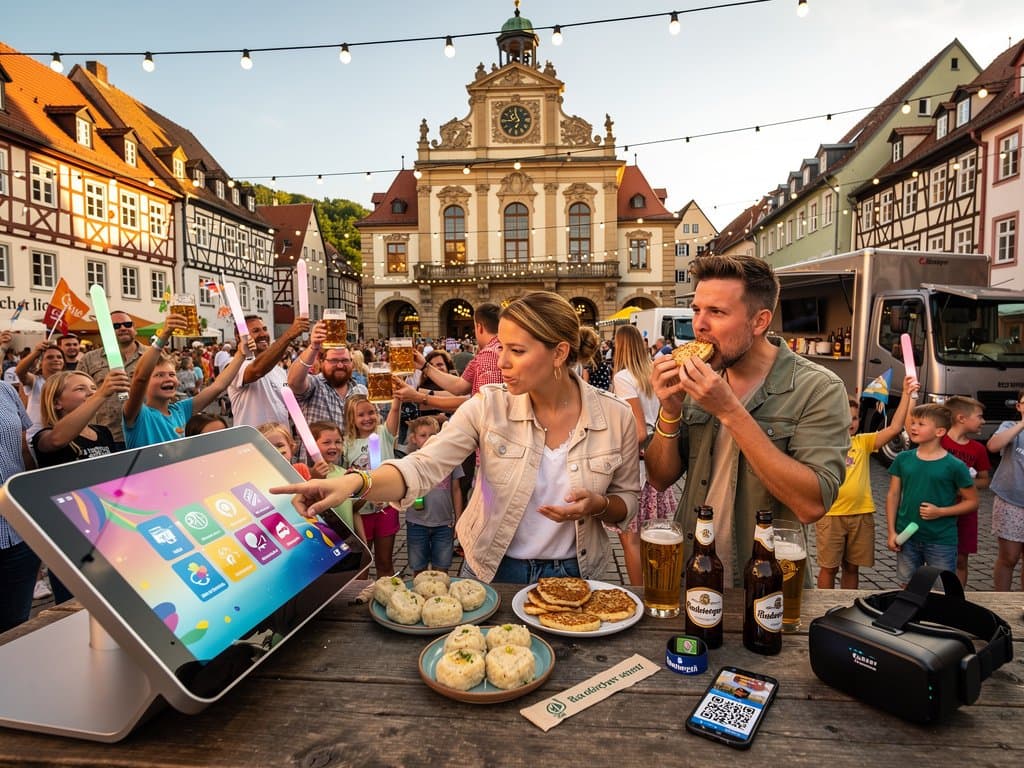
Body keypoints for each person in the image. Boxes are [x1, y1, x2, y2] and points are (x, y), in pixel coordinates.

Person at [270, 291, 640, 584]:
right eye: (501, 348)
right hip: (495, 569)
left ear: (559, 353)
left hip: (575, 572)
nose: (503, 362)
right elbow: (424, 465)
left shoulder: (615, 416)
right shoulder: (489, 406)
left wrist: (600, 507)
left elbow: (627, 501)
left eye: (517, 351)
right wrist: (355, 482)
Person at [646, 254, 850, 586]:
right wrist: (669, 411)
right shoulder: (699, 380)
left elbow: (812, 504)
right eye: (697, 309)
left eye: (717, 312)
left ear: (759, 322)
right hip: (691, 574)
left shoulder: (818, 388)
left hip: (765, 584)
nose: (699, 324)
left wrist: (730, 411)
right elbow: (659, 477)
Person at [31, 369, 131, 604]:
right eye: (80, 389)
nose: (91, 393)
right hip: (71, 537)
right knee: (76, 604)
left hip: (108, 529)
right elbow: (57, 439)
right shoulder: (45, 436)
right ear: (57, 403)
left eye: (93, 388)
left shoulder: (102, 432)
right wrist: (102, 394)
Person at [816, 377, 918, 589]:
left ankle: (847, 606)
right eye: (845, 417)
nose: (851, 422)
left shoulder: (862, 443)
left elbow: (895, 427)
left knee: (853, 567)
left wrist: (907, 394)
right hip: (831, 516)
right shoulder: (822, 445)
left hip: (861, 515)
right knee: (828, 568)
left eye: (855, 418)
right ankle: (824, 607)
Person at [610, 324, 676, 586]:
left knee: (631, 539)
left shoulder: (624, 377)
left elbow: (637, 431)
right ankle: (658, 586)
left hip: (637, 467)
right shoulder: (654, 372)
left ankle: (639, 594)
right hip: (660, 460)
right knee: (652, 537)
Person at [123, 314, 250, 449]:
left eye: (172, 374)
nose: (168, 378)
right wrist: (164, 334)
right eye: (159, 375)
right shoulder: (138, 415)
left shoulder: (180, 410)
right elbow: (140, 378)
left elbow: (218, 386)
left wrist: (241, 354)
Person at [886, 403, 977, 586]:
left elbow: (972, 502)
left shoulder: (955, 465)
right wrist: (891, 532)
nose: (913, 427)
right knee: (908, 586)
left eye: (921, 424)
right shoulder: (903, 459)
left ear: (939, 432)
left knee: (941, 589)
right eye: (913, 423)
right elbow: (893, 495)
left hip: (941, 540)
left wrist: (940, 512)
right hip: (907, 537)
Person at [286, 324, 367, 461]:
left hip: (351, 471)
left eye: (345, 360)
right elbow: (293, 381)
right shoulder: (315, 385)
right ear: (322, 362)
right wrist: (313, 347)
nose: (340, 365)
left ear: (352, 363)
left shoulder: (360, 390)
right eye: (334, 360)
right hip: (317, 472)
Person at [342, 393, 402, 578]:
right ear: (351, 418)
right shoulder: (346, 444)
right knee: (362, 564)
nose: (367, 418)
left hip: (386, 510)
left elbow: (395, 408)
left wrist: (398, 396)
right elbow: (344, 479)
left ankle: (390, 596)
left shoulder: (384, 433)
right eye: (361, 415)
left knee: (385, 562)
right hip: (361, 514)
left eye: (371, 412)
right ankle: (359, 599)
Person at [78, 309, 149, 450]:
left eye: (127, 324)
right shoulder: (89, 359)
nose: (123, 328)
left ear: (134, 328)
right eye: (115, 326)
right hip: (106, 435)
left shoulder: (152, 355)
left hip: (146, 431)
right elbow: (79, 397)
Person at [940, 395, 991, 586]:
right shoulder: (939, 441)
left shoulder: (978, 449)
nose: (983, 421)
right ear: (962, 418)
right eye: (979, 416)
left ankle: (957, 600)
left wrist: (965, 483)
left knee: (961, 559)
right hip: (939, 509)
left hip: (966, 513)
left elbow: (984, 480)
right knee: (937, 556)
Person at [403, 415, 464, 575]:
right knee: (419, 569)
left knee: (442, 569)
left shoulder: (450, 459)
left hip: (444, 524)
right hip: (417, 523)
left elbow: (456, 490)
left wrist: (459, 519)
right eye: (423, 435)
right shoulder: (410, 461)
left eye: (432, 435)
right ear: (414, 439)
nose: (428, 439)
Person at [227, 314, 309, 428]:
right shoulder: (234, 366)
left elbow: (290, 407)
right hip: (252, 443)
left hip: (280, 443)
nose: (263, 334)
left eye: (264, 329)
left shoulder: (279, 371)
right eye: (256, 331)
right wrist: (289, 334)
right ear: (238, 337)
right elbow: (257, 370)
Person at [986, 390, 1024, 591]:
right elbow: (993, 446)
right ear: (1019, 406)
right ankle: (1001, 601)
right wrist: (1022, 424)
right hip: (1011, 501)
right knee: (1009, 557)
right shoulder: (1010, 426)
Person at [15, 341, 65, 446]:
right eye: (50, 357)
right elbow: (19, 371)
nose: (56, 359)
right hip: (36, 436)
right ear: (40, 363)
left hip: (61, 433)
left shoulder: (69, 382)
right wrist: (35, 353)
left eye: (59, 357)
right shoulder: (35, 381)